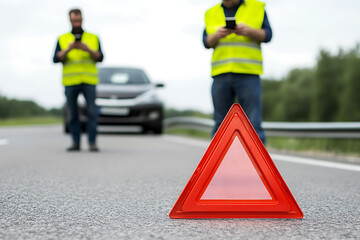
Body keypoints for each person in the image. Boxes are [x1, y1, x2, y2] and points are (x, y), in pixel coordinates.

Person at [203, 0, 272, 144]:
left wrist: (249, 31)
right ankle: (219, 164)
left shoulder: (257, 8)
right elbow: (206, 41)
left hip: (248, 73)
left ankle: (256, 165)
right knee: (220, 124)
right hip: (220, 74)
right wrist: (216, 36)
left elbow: (268, 35)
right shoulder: (211, 13)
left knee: (253, 123)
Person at [53, 9, 104, 152]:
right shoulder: (62, 38)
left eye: (79, 20)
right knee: (73, 113)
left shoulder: (92, 37)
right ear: (69, 20)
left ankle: (92, 142)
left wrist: (88, 49)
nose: (77, 23)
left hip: (89, 81)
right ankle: (75, 142)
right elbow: (56, 59)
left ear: (82, 19)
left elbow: (100, 57)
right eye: (74, 20)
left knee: (92, 112)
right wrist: (68, 49)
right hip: (70, 82)